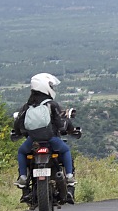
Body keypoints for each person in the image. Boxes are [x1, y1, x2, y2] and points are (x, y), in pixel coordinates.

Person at [12, 73, 76, 204]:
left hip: (33, 142)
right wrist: (68, 128)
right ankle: (69, 176)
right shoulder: (52, 105)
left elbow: (18, 123)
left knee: (21, 152)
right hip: (51, 140)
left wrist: (17, 133)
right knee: (66, 151)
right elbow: (60, 124)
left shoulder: (27, 106)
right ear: (45, 87)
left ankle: (23, 177)